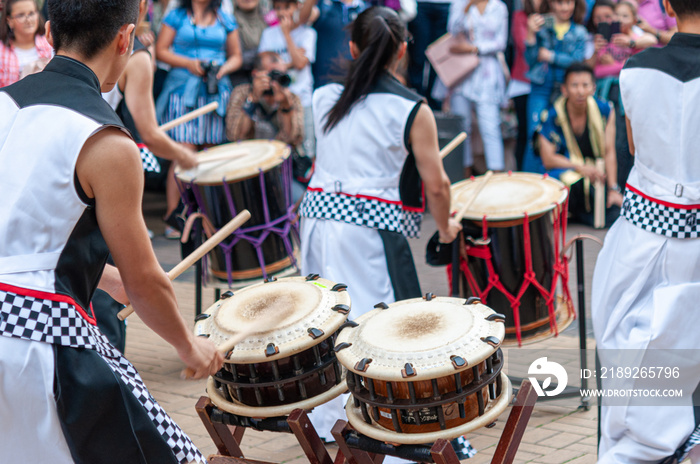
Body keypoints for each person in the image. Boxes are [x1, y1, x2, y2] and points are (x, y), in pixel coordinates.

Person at [0, 0, 223, 462]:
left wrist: (101, 274)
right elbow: (145, 280)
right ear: (125, 38)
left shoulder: (3, 104)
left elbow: (26, 230)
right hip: (38, 340)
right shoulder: (106, 140)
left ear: (48, 30)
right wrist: (189, 346)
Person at [299, 3, 461, 447]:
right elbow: (439, 186)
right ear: (404, 51)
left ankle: (332, 415)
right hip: (366, 230)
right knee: (378, 323)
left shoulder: (323, 96)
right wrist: (446, 229)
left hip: (315, 222)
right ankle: (386, 423)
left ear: (352, 47)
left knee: (328, 322)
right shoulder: (411, 109)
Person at [592, 1, 700, 462]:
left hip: (641, 238)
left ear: (669, 6)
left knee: (630, 368)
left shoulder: (634, 69)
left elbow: (633, 147)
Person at [534, 62, 622, 227]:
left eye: (585, 85)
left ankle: (578, 213)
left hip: (595, 175)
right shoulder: (552, 115)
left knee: (615, 214)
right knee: (560, 190)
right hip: (566, 174)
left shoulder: (604, 110)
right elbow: (548, 159)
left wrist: (613, 189)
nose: (580, 91)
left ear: (593, 88)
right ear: (564, 89)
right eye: (574, 85)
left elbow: (609, 152)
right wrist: (580, 167)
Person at [433, 0, 508, 178]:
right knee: (462, 128)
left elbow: (501, 43)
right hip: (461, 74)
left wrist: (474, 48)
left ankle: (496, 178)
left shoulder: (499, 7)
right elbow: (452, 31)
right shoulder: (459, 3)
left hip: (487, 74)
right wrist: (466, 7)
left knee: (490, 125)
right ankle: (464, 176)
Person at [226, 51, 310, 199]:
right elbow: (236, 135)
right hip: (246, 170)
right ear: (255, 74)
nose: (275, 81)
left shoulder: (291, 98)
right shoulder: (241, 94)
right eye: (272, 75)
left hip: (280, 172)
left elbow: (294, 140)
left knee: (299, 200)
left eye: (281, 75)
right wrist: (253, 100)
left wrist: (285, 107)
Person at [521, 0, 587, 174]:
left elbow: (578, 60)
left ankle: (557, 187)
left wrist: (551, 56)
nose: (565, 8)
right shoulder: (541, 26)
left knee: (560, 138)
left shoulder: (580, 31)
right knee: (534, 136)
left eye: (569, 2)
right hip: (540, 88)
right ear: (550, 3)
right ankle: (531, 182)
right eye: (559, 3)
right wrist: (530, 33)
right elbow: (530, 60)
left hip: (566, 91)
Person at [258, 0, 317, 158]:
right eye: (278, 8)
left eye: (287, 7)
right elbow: (266, 64)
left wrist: (286, 34)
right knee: (281, 151)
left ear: (297, 7)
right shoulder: (268, 34)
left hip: (303, 100)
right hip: (277, 101)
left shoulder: (308, 33)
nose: (282, 12)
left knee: (306, 153)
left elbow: (300, 63)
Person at [297, 0, 367, 89]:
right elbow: (302, 19)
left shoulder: (363, 8)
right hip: (323, 82)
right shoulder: (323, 4)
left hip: (354, 82)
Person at [0, 0, 52, 87]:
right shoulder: (1, 52)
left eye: (31, 13)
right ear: (9, 21)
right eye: (21, 15)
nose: (28, 20)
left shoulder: (50, 44)